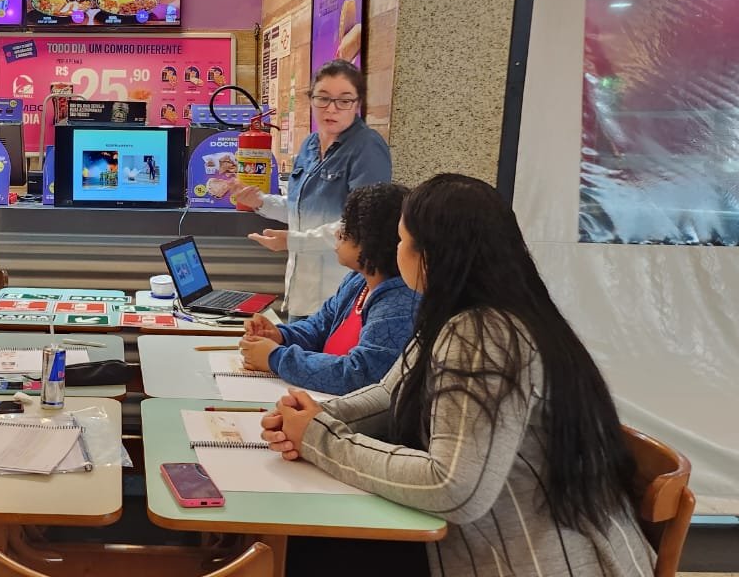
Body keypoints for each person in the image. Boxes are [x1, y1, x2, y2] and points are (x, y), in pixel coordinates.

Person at [259, 174, 654, 576]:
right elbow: (388, 395)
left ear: (431, 254)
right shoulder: (463, 313)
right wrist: (313, 419)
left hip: (531, 561)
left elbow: (452, 487)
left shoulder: (484, 335)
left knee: (297, 552)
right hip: (499, 542)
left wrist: (321, 439)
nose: (395, 251)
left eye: (401, 241)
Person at [235, 60, 391, 318]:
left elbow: (362, 224)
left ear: (358, 104)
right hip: (300, 292)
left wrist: (293, 241)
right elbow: (301, 209)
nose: (331, 108)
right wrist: (260, 201)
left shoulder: (367, 148)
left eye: (344, 100)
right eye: (323, 98)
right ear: (311, 100)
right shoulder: (309, 145)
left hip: (340, 294)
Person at [239, 183, 417, 395]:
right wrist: (280, 335)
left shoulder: (400, 305)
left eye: (347, 229)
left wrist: (275, 358)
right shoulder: (357, 281)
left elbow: (359, 375)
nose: (338, 234)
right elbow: (318, 327)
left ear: (372, 241)